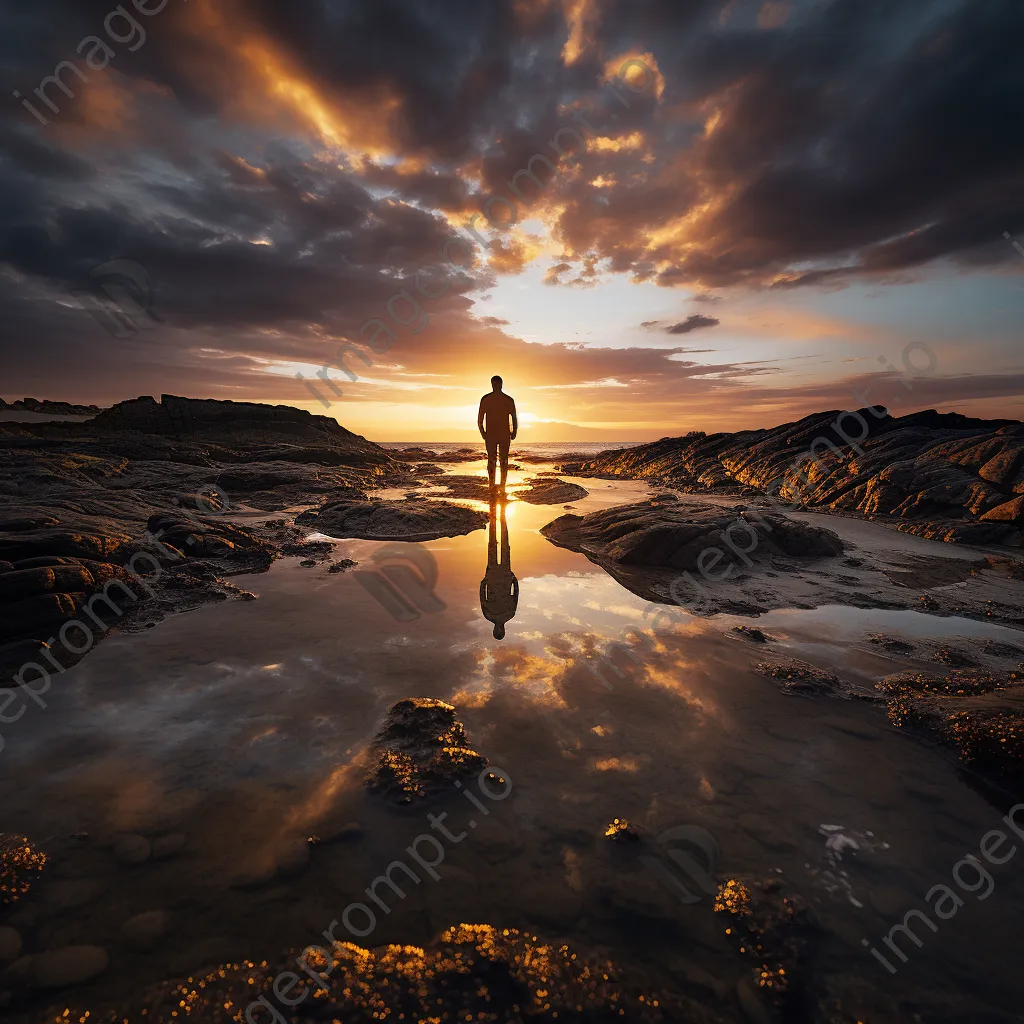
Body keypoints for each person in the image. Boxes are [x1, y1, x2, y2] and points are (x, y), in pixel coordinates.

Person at [479, 497, 518, 640]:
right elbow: (516, 595)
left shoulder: (489, 615)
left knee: (493, 546)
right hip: (506, 577)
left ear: (495, 631)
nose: (499, 629)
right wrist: (514, 580)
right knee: (505, 546)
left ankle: (495, 516)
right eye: (500, 631)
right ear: (503, 630)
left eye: (497, 632)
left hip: (493, 576)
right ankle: (502, 517)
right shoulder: (510, 614)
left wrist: (484, 582)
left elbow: (482, 597)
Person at [477, 375, 517, 490]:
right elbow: (480, 419)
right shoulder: (486, 399)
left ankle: (503, 485)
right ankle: (491, 484)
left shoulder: (508, 400)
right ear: (491, 385)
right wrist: (482, 432)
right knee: (491, 459)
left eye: (497, 384)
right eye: (494, 385)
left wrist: (514, 431)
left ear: (501, 385)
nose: (495, 387)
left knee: (503, 459)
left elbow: (514, 418)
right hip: (491, 434)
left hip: (504, 434)